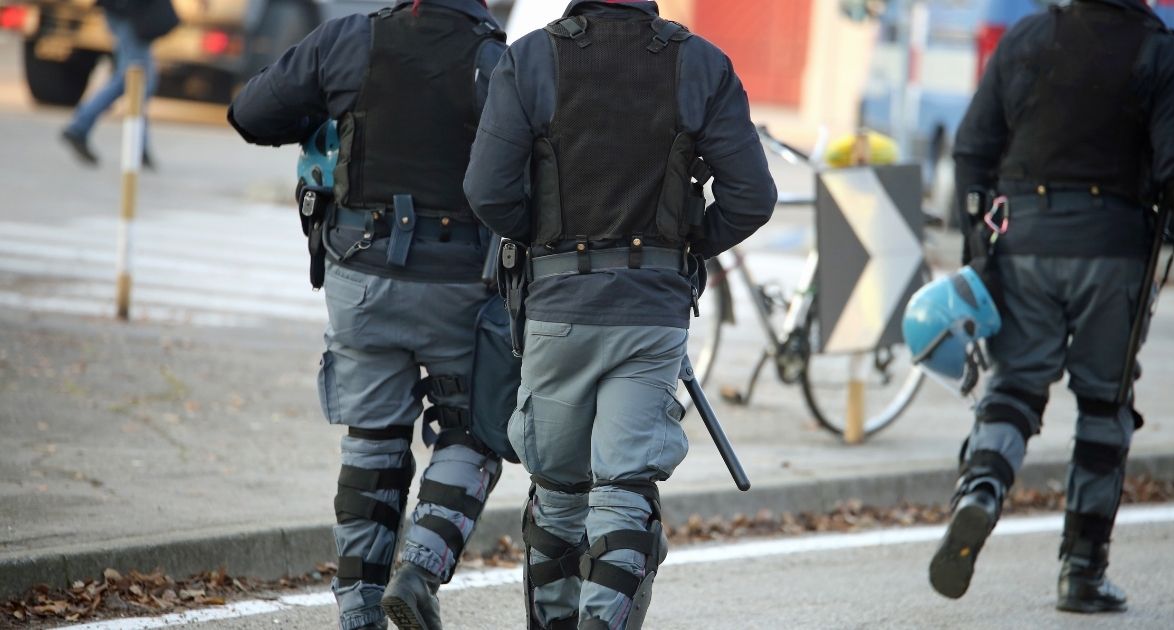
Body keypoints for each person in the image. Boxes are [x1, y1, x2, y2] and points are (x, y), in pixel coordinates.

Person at [464, 1, 777, 628]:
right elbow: (752, 197)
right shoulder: (702, 63)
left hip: (556, 314)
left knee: (557, 496)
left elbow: (487, 191)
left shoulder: (530, 57)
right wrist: (685, 247)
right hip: (651, 316)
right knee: (625, 492)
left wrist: (543, 242)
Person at [227, 2, 508, 629]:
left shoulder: (350, 38)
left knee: (373, 441)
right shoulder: (495, 59)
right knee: (473, 429)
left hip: (360, 276)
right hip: (459, 285)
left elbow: (250, 113)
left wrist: (325, 111)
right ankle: (419, 570)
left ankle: (357, 611)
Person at [930, 0, 1174, 613]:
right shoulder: (1163, 51)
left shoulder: (1028, 37)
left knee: (1016, 388)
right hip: (1114, 251)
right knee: (1104, 405)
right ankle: (1081, 573)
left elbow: (973, 147)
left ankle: (981, 491)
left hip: (1024, 242)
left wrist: (979, 242)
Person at [61, 0, 179, 167]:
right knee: (131, 78)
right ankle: (80, 127)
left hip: (130, 11)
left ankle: (139, 145)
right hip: (127, 10)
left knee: (138, 80)